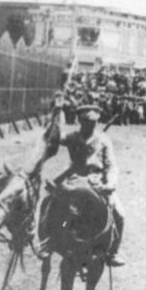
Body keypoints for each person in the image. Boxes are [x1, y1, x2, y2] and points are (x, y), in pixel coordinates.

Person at [48, 104, 125, 267]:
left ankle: (113, 251)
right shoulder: (71, 137)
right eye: (86, 122)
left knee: (119, 214)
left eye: (93, 123)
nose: (90, 126)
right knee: (54, 204)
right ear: (79, 121)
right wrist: (55, 115)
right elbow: (53, 136)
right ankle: (50, 241)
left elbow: (111, 165)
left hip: (97, 183)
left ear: (97, 123)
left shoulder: (104, 140)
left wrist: (110, 184)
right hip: (74, 180)